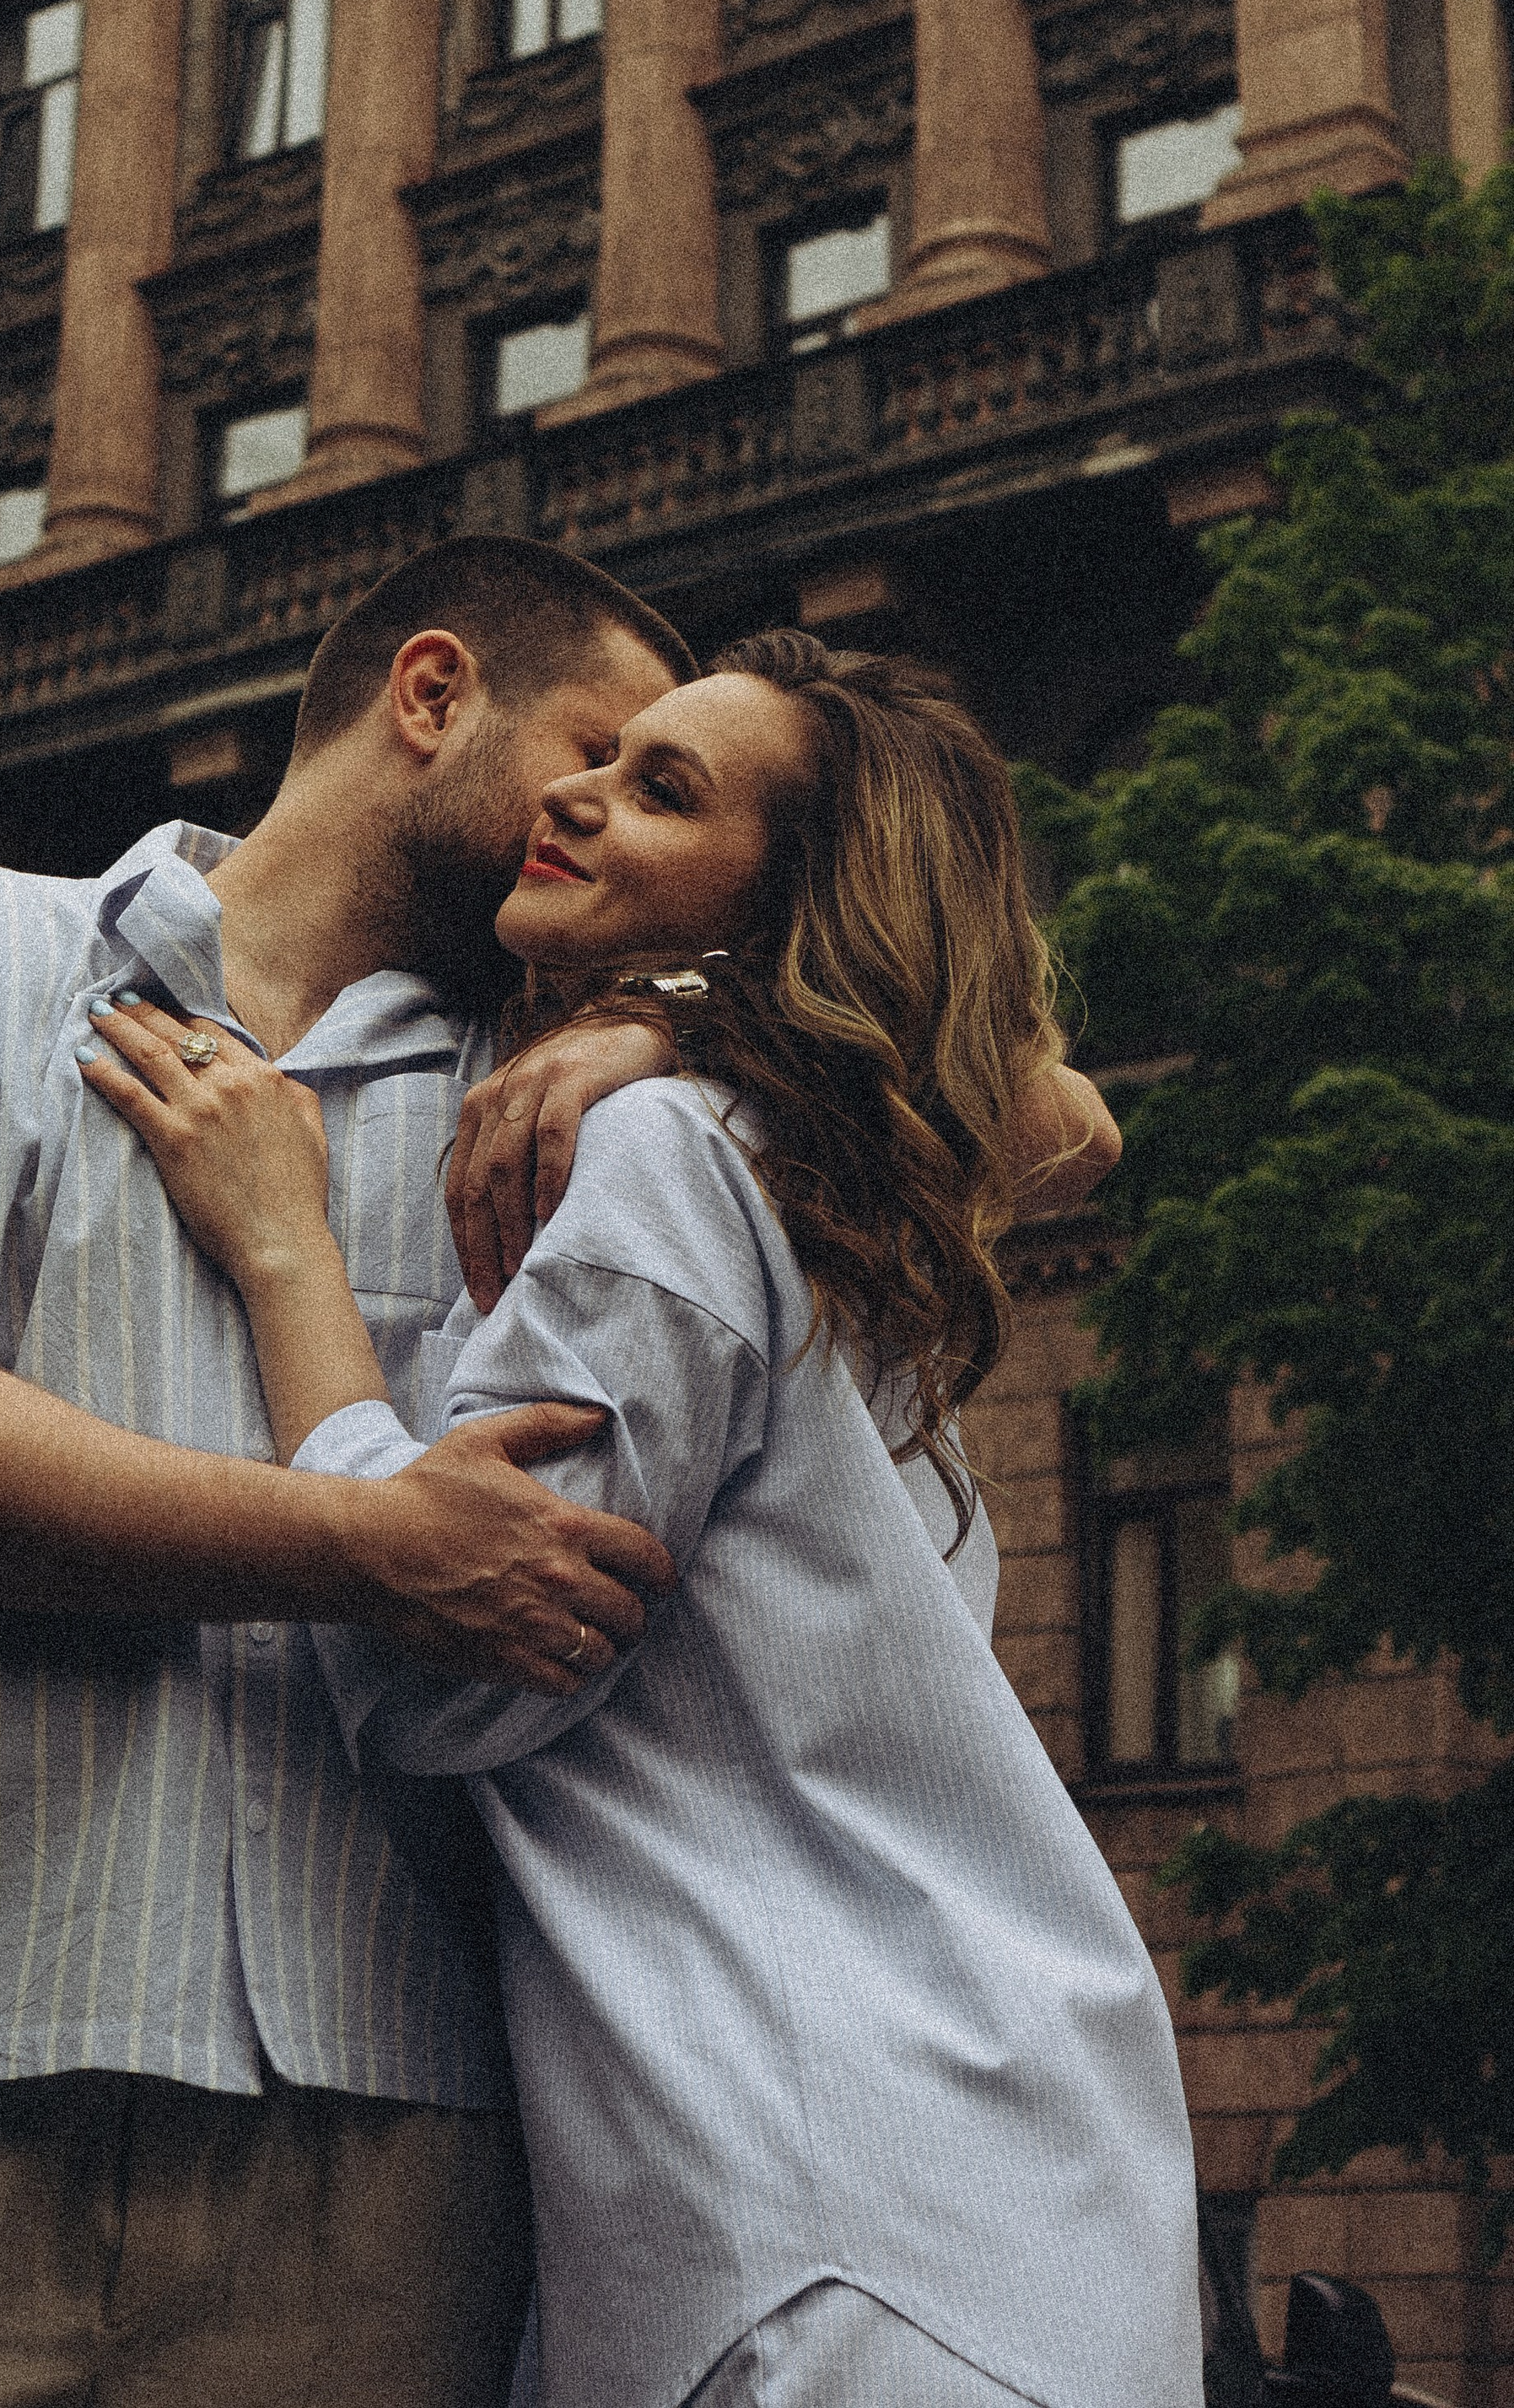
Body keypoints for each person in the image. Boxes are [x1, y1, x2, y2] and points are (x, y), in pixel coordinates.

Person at [0, 538, 698, 2408]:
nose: (609, 821)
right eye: (593, 757)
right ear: (432, 695)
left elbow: (1029, 1113)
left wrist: (690, 1023)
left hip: (380, 2145)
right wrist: (365, 1543)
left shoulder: (573, 1095)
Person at [82, 628, 1201, 2408]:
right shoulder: (830, 1170)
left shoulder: (676, 1154)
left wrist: (286, 1249)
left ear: (782, 903)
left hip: (825, 2221)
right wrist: (682, 1012)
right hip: (986, 2194)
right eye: (604, 758)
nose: (579, 792)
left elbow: (455, 1664)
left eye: (664, 789)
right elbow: (1049, 1111)